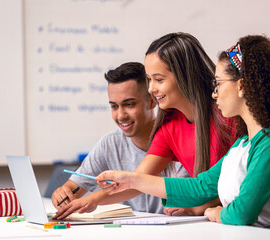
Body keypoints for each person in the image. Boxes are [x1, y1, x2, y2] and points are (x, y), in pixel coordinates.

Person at [96, 35, 270, 232]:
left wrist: (215, 212)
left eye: (218, 84)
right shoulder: (243, 144)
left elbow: (241, 213)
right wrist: (131, 180)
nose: (214, 94)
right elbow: (201, 187)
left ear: (241, 86)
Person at [53, 33, 235, 220]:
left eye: (159, 79)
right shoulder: (169, 126)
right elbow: (138, 180)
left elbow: (245, 181)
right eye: (149, 79)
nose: (151, 89)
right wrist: (92, 200)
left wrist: (202, 206)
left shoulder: (229, 114)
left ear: (184, 76)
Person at [51, 62, 190, 214]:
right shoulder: (109, 144)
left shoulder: (178, 139)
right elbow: (73, 188)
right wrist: (63, 193)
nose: (121, 116)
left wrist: (94, 199)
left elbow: (192, 196)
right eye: (114, 106)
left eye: (129, 105)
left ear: (152, 101)